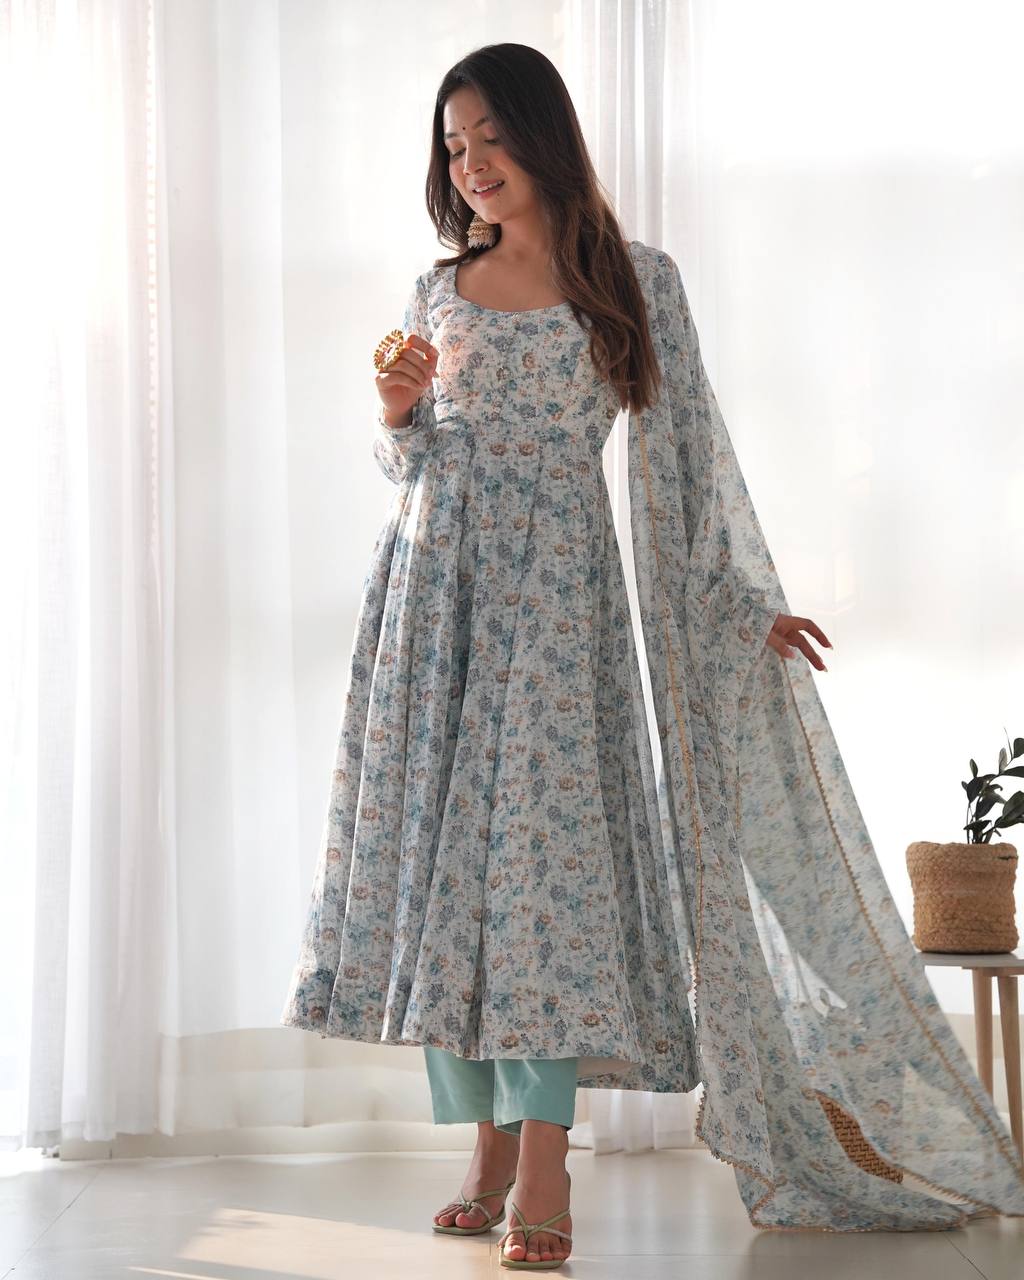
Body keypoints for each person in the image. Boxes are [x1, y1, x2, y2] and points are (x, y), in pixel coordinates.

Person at [281, 41, 1024, 1270]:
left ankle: (544, 1161)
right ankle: (483, 1147)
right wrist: (397, 414)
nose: (470, 164)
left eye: (489, 136)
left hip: (559, 614)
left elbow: (686, 458)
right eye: (452, 145)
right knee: (451, 887)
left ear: (543, 134)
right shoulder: (437, 288)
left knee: (543, 888)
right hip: (431, 605)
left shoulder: (634, 280)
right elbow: (415, 463)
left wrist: (740, 603)